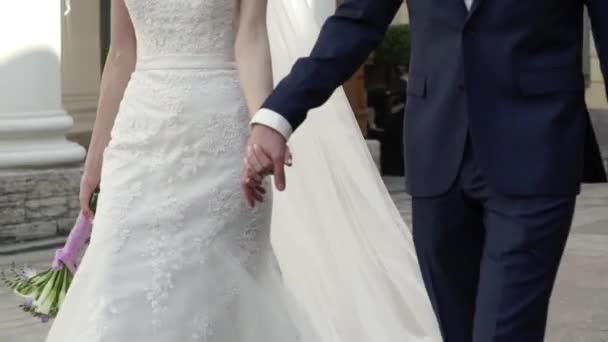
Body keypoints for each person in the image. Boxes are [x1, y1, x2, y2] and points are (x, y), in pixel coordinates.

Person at [46, 0, 442, 341]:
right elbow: (120, 53)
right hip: (138, 138)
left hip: (218, 134)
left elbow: (251, 40)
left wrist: (262, 128)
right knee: (118, 277)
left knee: (216, 286)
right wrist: (95, 157)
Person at [243, 0, 608, 341]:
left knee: (503, 329)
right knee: (455, 328)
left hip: (536, 145)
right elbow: (356, 23)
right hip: (437, 149)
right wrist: (279, 117)